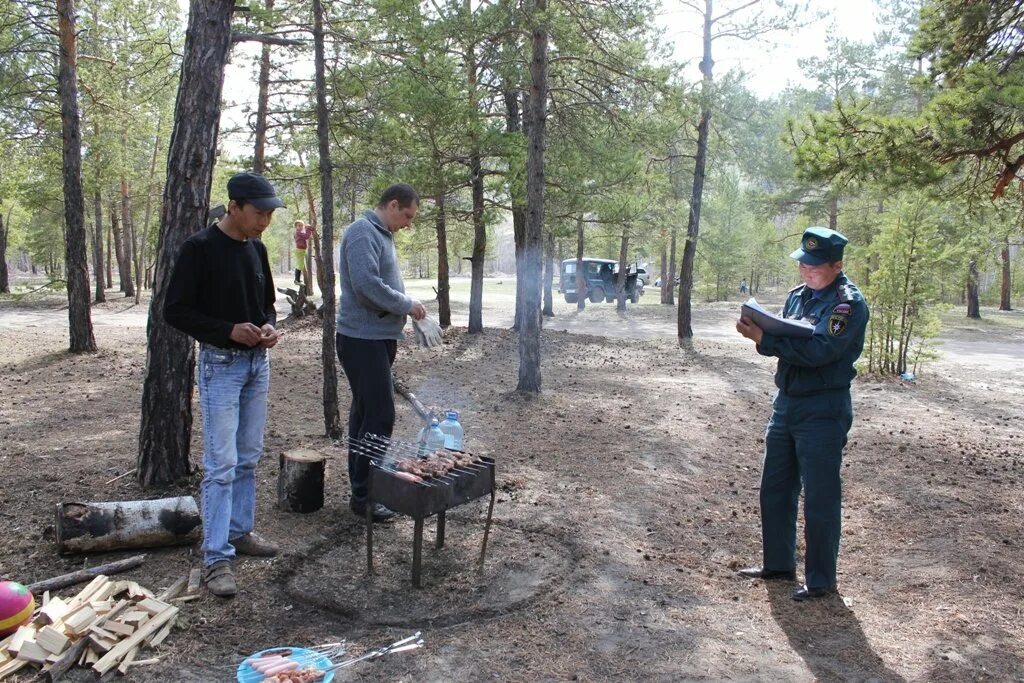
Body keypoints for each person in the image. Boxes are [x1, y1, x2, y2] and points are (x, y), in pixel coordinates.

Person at [164, 171, 285, 598]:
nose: (264, 221)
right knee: (221, 464)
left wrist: (269, 328)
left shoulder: (258, 248)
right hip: (221, 366)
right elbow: (175, 311)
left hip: (257, 365)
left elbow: (267, 305)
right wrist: (227, 330)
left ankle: (240, 532)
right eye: (258, 213)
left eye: (270, 214)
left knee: (249, 457)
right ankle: (216, 558)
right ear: (233, 207)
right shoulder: (199, 249)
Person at [734, 226, 869, 601]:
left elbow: (821, 352)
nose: (806, 271)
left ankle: (821, 580)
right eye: (803, 264)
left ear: (837, 265)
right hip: (787, 403)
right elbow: (784, 341)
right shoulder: (798, 297)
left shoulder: (848, 305)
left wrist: (766, 339)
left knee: (820, 496)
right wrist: (761, 332)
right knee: (775, 487)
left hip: (823, 407)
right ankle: (778, 563)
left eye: (815, 266)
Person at [337, 183, 427, 522]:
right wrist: (407, 304)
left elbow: (380, 284)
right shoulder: (362, 233)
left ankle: (360, 491)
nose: (408, 223)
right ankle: (366, 495)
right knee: (379, 415)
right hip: (361, 339)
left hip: (377, 339)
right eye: (407, 215)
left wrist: (406, 308)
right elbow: (366, 287)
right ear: (392, 205)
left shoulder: (382, 235)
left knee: (364, 414)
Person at [293, 220, 315, 287]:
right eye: (299, 225)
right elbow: (306, 236)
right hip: (300, 250)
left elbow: (307, 235)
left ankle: (297, 280)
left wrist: (309, 229)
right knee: (300, 265)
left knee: (300, 265)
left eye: (302, 225)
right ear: (296, 227)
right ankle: (296, 280)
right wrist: (308, 229)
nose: (301, 227)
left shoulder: (300, 232)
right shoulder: (298, 232)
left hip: (301, 250)